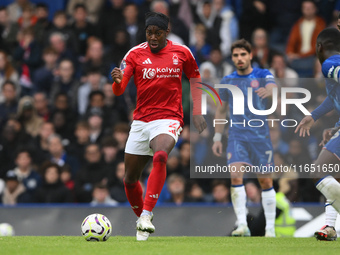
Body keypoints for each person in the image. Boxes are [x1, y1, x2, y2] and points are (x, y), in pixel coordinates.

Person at [110, 11, 206, 241]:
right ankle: (142, 222)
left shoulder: (182, 53)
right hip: (142, 121)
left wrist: (197, 111)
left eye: (157, 33)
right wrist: (116, 83)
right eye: (149, 32)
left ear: (167, 32)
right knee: (130, 179)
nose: (153, 37)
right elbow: (120, 89)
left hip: (169, 118)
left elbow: (195, 79)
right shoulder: (134, 54)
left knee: (161, 155)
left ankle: (146, 213)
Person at [212, 39, 277, 237]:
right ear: (232, 58)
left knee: (265, 182)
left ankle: (270, 229)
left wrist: (269, 92)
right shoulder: (228, 81)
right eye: (235, 55)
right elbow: (221, 110)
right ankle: (242, 225)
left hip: (260, 137)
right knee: (235, 176)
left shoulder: (262, 74)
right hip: (237, 136)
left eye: (243, 54)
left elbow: (274, 88)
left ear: (250, 55)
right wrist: (216, 136)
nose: (239, 58)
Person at [295, 27, 340, 241]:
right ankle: (330, 226)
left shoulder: (329, 64)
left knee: (320, 172)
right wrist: (314, 116)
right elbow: (334, 97)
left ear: (319, 47)